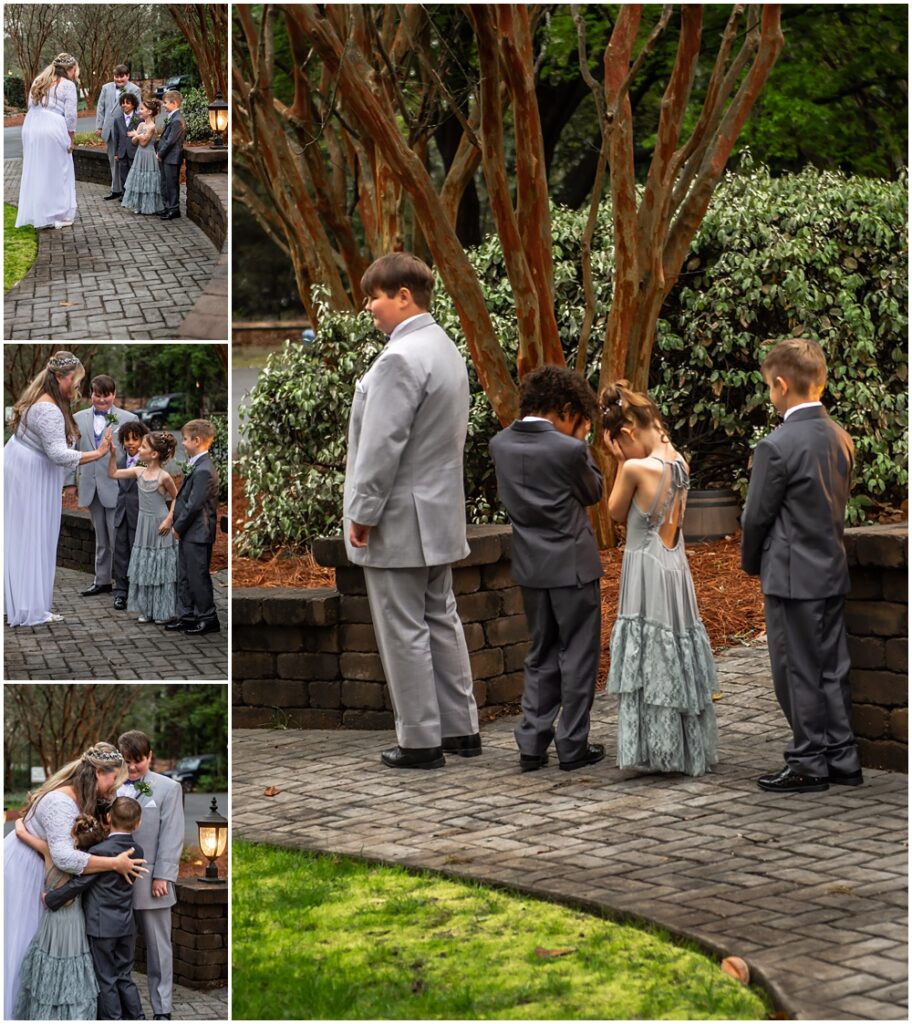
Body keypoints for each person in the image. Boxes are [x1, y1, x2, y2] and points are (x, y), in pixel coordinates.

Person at [344, 252, 479, 769]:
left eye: (375, 296)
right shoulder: (444, 347)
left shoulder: (399, 358)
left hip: (400, 517)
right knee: (440, 618)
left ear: (404, 295)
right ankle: (460, 728)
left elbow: (382, 446)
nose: (370, 307)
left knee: (403, 627)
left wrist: (363, 511)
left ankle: (421, 740)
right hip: (438, 513)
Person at [741, 338, 862, 793]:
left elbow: (756, 517)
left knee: (795, 670)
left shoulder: (776, 445)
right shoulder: (840, 437)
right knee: (832, 667)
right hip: (831, 567)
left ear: (780, 384)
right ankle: (843, 757)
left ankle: (809, 760)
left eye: (769, 388)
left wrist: (752, 563)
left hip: (792, 576)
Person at [600, 381, 719, 777]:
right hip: (674, 565)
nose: (618, 450)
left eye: (617, 442)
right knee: (676, 649)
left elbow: (615, 513)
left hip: (645, 569)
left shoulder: (635, 467)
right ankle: (685, 748)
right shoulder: (679, 461)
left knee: (649, 651)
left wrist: (618, 463)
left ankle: (659, 750)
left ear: (628, 433)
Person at [489, 366, 606, 772]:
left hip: (531, 566)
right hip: (573, 567)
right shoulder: (569, 449)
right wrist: (582, 444)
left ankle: (532, 744)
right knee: (578, 655)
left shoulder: (500, 444)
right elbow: (593, 492)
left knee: (540, 654)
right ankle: (572, 746)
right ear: (567, 409)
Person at [3, 743, 147, 1017]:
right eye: (111, 779)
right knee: (25, 940)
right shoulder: (61, 802)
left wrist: (26, 834)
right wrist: (116, 863)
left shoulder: (83, 796)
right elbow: (65, 858)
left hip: (49, 867)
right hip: (30, 869)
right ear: (96, 772)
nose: (112, 788)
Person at [4, 352, 115, 627]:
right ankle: (29, 607)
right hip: (31, 473)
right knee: (33, 536)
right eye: (75, 381)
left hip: (24, 465)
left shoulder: (44, 398)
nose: (77, 387)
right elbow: (59, 455)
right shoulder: (49, 409)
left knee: (22, 535)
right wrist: (98, 453)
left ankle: (21, 600)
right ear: (60, 378)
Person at [43, 797, 147, 1020]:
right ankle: (138, 1018)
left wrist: (52, 899)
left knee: (107, 978)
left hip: (101, 927)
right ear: (137, 823)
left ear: (109, 817)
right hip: (127, 925)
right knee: (124, 976)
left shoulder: (100, 851)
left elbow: (80, 883)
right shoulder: (137, 851)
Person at [13, 813, 107, 1019]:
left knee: (51, 963)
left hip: (54, 921)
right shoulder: (88, 861)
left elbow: (20, 832)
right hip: (75, 920)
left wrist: (25, 817)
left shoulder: (50, 850)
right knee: (72, 964)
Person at [118, 731, 185, 1021]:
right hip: (115, 883)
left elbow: (172, 835)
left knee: (159, 949)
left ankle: (162, 1008)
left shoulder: (168, 788)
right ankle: (123, 1006)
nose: (132, 768)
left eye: (138, 762)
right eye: (126, 762)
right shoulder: (111, 786)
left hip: (151, 882)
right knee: (120, 949)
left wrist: (163, 877)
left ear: (150, 756)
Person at [64, 375, 138, 601]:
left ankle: (122, 586)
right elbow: (69, 452)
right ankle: (102, 580)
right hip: (90, 486)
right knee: (101, 538)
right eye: (98, 395)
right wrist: (69, 482)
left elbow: (141, 452)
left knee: (118, 539)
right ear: (91, 395)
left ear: (113, 395)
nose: (102, 399)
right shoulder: (77, 418)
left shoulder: (128, 418)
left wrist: (140, 478)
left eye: (106, 395)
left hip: (118, 488)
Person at [106, 428, 179, 624]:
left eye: (144, 447)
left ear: (154, 454)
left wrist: (169, 519)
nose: (139, 449)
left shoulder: (164, 476)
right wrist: (113, 454)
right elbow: (112, 473)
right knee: (145, 566)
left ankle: (163, 611)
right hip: (143, 524)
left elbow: (176, 498)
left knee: (160, 567)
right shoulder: (138, 472)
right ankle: (147, 609)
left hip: (159, 524)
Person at [166, 419, 221, 635]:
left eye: (186, 439)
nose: (184, 443)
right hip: (191, 531)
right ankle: (187, 615)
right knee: (186, 574)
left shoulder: (204, 470)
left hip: (198, 531)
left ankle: (208, 617)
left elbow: (194, 505)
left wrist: (178, 526)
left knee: (197, 576)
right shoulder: (197, 464)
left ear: (197, 440)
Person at [16, 53, 79, 230]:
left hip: (32, 126)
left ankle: (41, 213)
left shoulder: (39, 80)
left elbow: (30, 106)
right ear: (70, 69)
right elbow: (71, 115)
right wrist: (70, 138)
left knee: (38, 170)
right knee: (61, 171)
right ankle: (60, 213)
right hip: (53, 126)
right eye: (74, 70)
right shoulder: (67, 85)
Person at [113, 420, 149, 611]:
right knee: (120, 554)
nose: (130, 443)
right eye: (126, 439)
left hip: (140, 515)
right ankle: (121, 592)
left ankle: (139, 592)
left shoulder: (149, 463)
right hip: (121, 514)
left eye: (135, 439)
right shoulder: (119, 461)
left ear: (143, 440)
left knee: (139, 554)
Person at [95, 63, 142, 200]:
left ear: (128, 76)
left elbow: (138, 111)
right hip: (109, 129)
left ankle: (128, 191)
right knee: (113, 160)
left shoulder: (134, 89)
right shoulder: (106, 88)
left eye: (122, 77)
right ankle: (115, 189)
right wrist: (99, 126)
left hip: (125, 130)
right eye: (116, 77)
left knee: (126, 161)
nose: (119, 80)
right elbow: (101, 107)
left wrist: (134, 130)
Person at [121, 98, 165, 215]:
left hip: (149, 155)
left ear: (149, 112)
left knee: (148, 179)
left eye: (142, 109)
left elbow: (144, 143)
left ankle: (149, 207)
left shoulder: (152, 126)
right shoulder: (141, 124)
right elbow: (135, 142)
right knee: (139, 179)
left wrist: (136, 135)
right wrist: (139, 136)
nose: (140, 111)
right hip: (139, 155)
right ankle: (138, 205)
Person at [156, 90, 186, 220]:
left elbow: (170, 141)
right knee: (165, 183)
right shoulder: (172, 117)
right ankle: (167, 207)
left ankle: (174, 209)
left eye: (165, 103)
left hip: (171, 158)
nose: (163, 105)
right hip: (166, 157)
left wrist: (160, 154)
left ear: (174, 103)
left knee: (171, 184)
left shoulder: (177, 120)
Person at [111, 91, 141, 191]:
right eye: (123, 103)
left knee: (135, 174)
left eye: (127, 103)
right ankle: (124, 195)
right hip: (122, 152)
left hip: (134, 151)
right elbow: (116, 137)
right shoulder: (117, 120)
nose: (124, 105)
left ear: (133, 105)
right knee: (123, 174)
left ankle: (134, 194)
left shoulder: (139, 119)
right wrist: (116, 153)